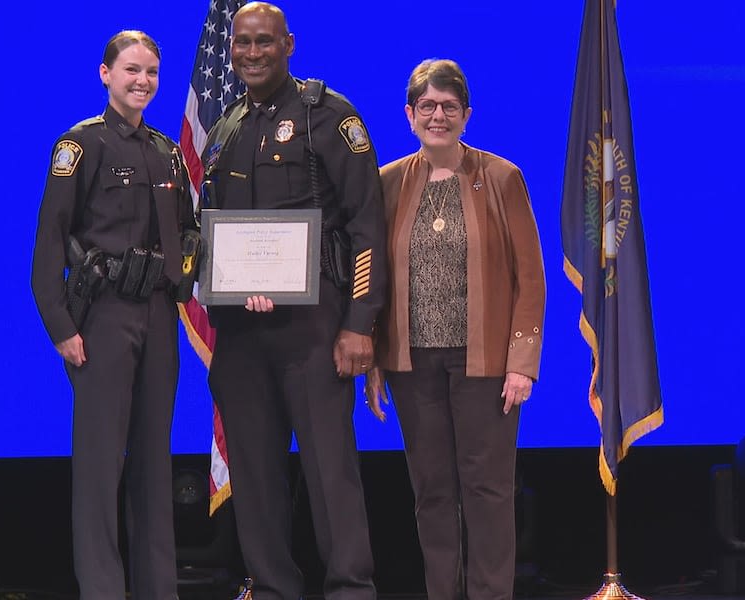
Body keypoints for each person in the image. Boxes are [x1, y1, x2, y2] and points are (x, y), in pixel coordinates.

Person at [200, 3, 387, 599]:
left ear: (288, 44)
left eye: (264, 42)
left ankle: (351, 591)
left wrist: (360, 323)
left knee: (330, 473)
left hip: (315, 329)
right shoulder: (227, 125)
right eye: (242, 44)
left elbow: (367, 226)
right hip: (242, 335)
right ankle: (274, 590)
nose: (251, 53)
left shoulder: (328, 117)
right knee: (255, 475)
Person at [365, 59, 546, 600]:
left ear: (467, 114)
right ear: (409, 114)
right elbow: (373, 274)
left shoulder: (502, 177)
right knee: (432, 493)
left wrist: (522, 363)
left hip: (485, 364)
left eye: (448, 106)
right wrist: (374, 355)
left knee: (488, 491)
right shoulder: (388, 181)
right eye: (427, 106)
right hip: (411, 363)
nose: (437, 115)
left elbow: (530, 278)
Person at [30, 30, 195, 600]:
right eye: (131, 70)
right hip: (101, 319)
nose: (142, 81)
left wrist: (195, 273)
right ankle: (102, 591)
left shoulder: (167, 151)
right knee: (101, 470)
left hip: (157, 316)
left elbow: (188, 233)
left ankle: (158, 590)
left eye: (151, 71)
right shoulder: (81, 146)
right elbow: (51, 242)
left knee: (154, 467)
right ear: (105, 74)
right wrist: (62, 327)